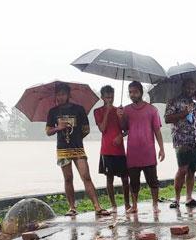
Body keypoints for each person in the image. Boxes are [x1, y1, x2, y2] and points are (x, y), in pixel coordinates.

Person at [45, 82, 109, 217]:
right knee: (68, 178)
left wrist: (76, 136)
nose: (60, 97)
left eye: (63, 94)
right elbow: (48, 131)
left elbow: (86, 129)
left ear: (68, 95)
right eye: (58, 94)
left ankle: (97, 206)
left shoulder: (79, 109)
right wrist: (59, 128)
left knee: (86, 176)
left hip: (78, 148)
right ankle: (72, 207)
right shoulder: (53, 111)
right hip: (62, 149)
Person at [119, 81, 165, 216]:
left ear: (141, 92)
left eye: (135, 91)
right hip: (133, 152)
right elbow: (123, 128)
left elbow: (157, 131)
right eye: (130, 92)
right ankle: (134, 205)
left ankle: (155, 204)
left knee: (153, 180)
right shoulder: (126, 110)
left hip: (148, 151)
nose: (133, 94)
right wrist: (120, 116)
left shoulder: (152, 110)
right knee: (134, 181)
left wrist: (162, 148)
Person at [164, 78, 196, 208]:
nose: (189, 90)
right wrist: (183, 113)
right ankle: (176, 199)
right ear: (183, 88)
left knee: (192, 170)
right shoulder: (174, 101)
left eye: (192, 88)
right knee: (182, 169)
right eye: (187, 88)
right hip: (181, 140)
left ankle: (189, 198)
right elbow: (167, 118)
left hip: (194, 140)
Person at [93, 85, 130, 214]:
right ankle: (113, 205)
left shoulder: (120, 110)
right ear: (102, 97)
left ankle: (127, 204)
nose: (110, 99)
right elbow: (102, 129)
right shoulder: (98, 111)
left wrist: (121, 134)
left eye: (112, 96)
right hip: (107, 150)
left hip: (120, 150)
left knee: (125, 178)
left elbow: (126, 129)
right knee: (109, 178)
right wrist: (108, 112)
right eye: (107, 97)